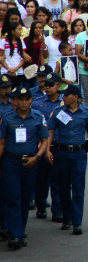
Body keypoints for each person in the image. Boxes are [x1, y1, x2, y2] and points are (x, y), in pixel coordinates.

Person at [0, 86, 50, 250]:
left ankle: (19, 230)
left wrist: (37, 157)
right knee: (13, 197)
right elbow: (2, 143)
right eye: (20, 99)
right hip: (11, 162)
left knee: (25, 198)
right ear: (15, 101)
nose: (23, 102)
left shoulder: (38, 117)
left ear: (31, 101)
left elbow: (44, 140)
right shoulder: (7, 118)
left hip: (30, 162)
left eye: (26, 99)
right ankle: (15, 235)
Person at [46, 84, 88, 236]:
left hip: (79, 154)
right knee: (63, 188)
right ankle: (66, 218)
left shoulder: (86, 113)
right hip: (61, 153)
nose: (63, 97)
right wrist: (48, 149)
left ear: (75, 97)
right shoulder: (58, 112)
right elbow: (50, 131)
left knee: (78, 189)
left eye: (66, 95)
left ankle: (77, 222)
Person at [32, 73, 63, 221]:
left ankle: (57, 210)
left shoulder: (65, 103)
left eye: (51, 85)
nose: (47, 87)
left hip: (59, 144)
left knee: (57, 179)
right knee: (41, 179)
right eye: (46, 85)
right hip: (42, 145)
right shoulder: (37, 103)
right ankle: (41, 205)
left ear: (59, 86)